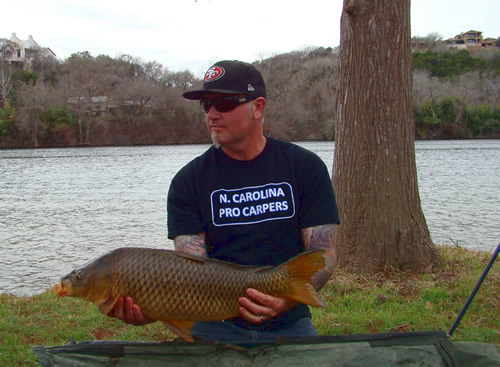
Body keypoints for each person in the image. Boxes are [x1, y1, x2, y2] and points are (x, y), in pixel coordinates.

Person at [107, 60, 340, 342]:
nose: (212, 114)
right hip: (215, 325)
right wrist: (151, 305)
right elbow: (189, 271)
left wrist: (287, 300)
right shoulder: (188, 181)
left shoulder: (305, 167)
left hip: (289, 322)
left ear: (258, 107)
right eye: (207, 105)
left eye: (224, 103)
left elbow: (322, 253)